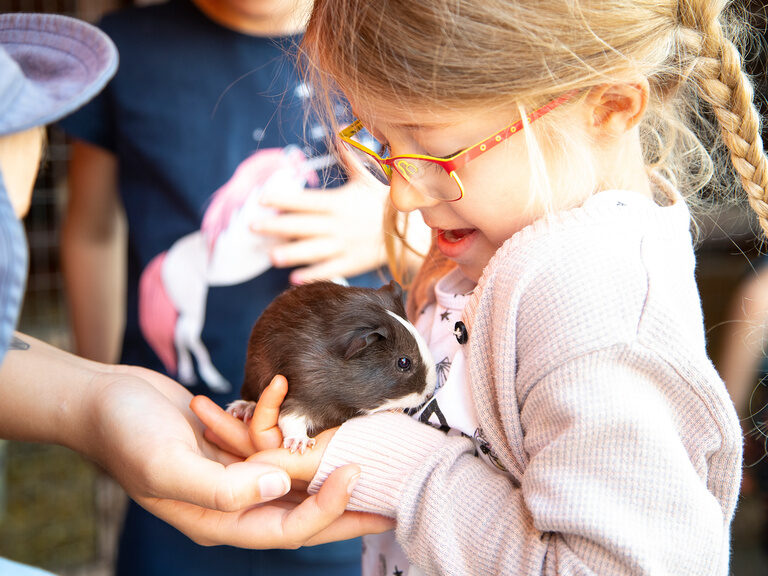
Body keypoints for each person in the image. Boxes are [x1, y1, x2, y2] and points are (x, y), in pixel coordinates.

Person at [193, 0, 768, 573]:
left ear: (609, 107)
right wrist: (326, 454)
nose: (401, 194)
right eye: (383, 144)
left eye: (439, 152)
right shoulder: (495, 246)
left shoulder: (597, 309)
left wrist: (401, 473)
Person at [0, 11, 392, 576]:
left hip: (348, 450)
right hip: (181, 428)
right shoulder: (128, 49)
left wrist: (398, 224)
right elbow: (93, 229)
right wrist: (100, 379)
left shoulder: (390, 30)